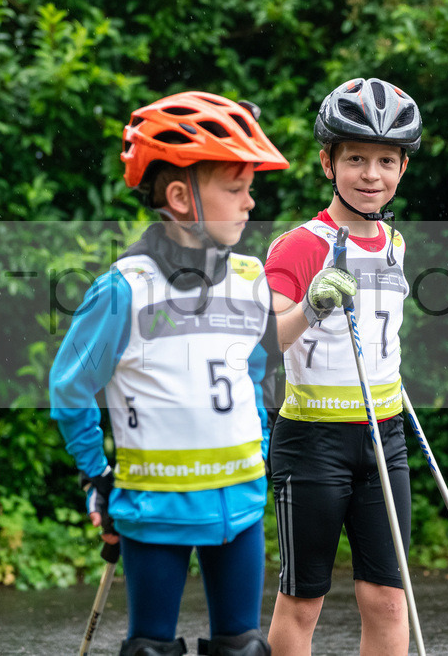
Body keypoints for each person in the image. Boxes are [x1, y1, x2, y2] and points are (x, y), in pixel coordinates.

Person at [50, 91, 289, 656]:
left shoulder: (250, 278)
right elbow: (70, 387)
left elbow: (252, 372)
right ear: (181, 196)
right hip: (154, 508)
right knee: (150, 650)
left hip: (241, 504)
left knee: (245, 648)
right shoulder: (125, 289)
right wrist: (96, 475)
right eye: (235, 189)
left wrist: (262, 442)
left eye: (249, 188)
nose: (250, 203)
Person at [263, 77, 422, 656]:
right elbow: (266, 343)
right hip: (312, 441)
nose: (371, 175)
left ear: (403, 167)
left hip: (385, 435)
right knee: (303, 600)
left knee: (387, 598)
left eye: (386, 160)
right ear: (328, 163)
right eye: (356, 158)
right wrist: (312, 306)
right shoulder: (298, 246)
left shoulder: (395, 241)